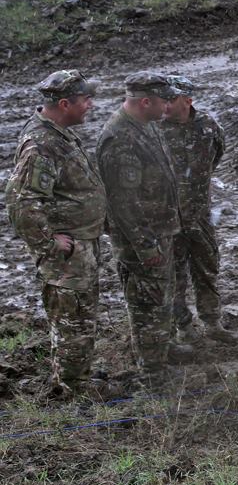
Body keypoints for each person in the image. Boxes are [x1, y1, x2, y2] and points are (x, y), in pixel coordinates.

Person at [5, 70, 107, 396]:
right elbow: (22, 203)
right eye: (85, 100)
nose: (91, 105)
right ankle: (70, 393)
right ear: (64, 103)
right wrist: (49, 242)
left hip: (80, 245)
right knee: (72, 320)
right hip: (67, 254)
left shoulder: (59, 133)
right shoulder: (42, 144)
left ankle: (76, 378)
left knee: (80, 315)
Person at [97, 72, 194, 374]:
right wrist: (145, 244)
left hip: (159, 231)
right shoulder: (120, 139)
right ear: (145, 101)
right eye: (164, 99)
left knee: (161, 297)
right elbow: (122, 203)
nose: (168, 105)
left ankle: (162, 349)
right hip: (141, 241)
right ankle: (152, 371)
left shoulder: (145, 125)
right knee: (146, 304)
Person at [158, 76, 238, 343]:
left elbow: (216, 156)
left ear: (188, 100)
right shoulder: (154, 131)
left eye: (171, 99)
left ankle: (212, 323)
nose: (165, 105)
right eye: (163, 99)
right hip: (168, 218)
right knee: (174, 275)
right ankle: (183, 328)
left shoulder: (207, 127)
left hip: (200, 215)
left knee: (207, 269)